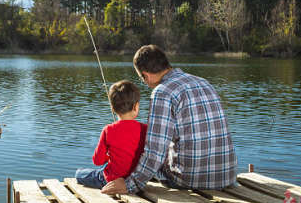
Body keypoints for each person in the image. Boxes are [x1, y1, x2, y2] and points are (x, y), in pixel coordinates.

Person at [101, 44, 237, 195]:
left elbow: (155, 150)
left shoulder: (162, 92)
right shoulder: (204, 82)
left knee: (138, 157)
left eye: (142, 79)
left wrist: (130, 184)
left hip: (189, 180)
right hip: (226, 176)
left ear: (145, 75)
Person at [75, 80, 147, 189]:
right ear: (136, 107)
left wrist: (108, 156)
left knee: (79, 174)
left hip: (110, 181)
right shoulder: (145, 129)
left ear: (113, 108)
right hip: (135, 180)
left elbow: (97, 161)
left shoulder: (108, 130)